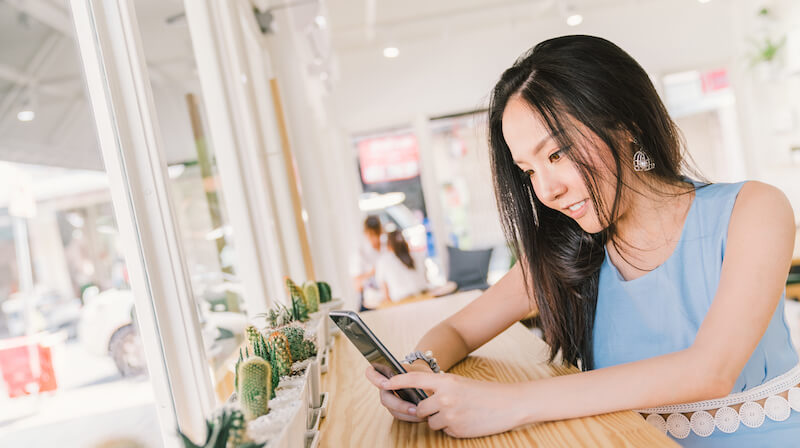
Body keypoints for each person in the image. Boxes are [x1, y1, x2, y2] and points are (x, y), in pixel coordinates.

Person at [364, 35, 799, 446]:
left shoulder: (753, 209)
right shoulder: (568, 253)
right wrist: (418, 369)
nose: (546, 190)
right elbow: (458, 328)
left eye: (556, 154)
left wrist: (506, 404)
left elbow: (710, 370)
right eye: (529, 170)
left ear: (626, 125)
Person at [373, 230, 428, 304]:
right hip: (426, 297)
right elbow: (426, 280)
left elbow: (386, 295)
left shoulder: (383, 261)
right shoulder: (417, 255)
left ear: (388, 245)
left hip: (402, 303)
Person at [352, 215, 384, 311]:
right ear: (365, 233)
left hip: (388, 297)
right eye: (371, 235)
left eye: (377, 234)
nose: (375, 239)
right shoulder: (360, 252)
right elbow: (357, 284)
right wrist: (373, 272)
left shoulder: (387, 247)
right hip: (370, 299)